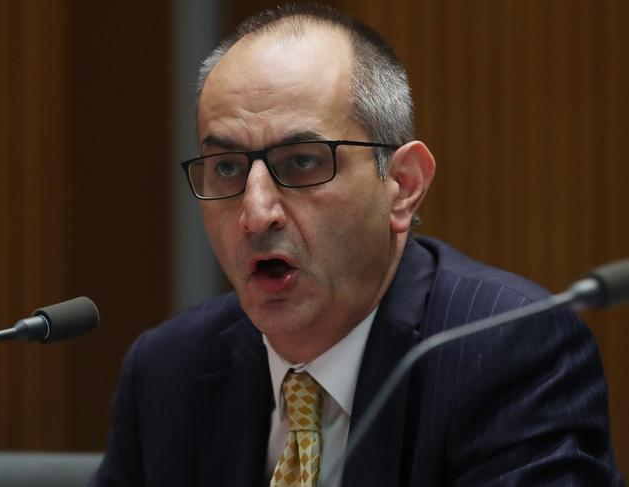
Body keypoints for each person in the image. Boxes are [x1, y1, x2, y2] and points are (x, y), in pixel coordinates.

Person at [90, 3, 622, 486]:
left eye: (302, 162)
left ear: (403, 185)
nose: (255, 214)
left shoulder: (505, 349)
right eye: (227, 168)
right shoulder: (169, 371)